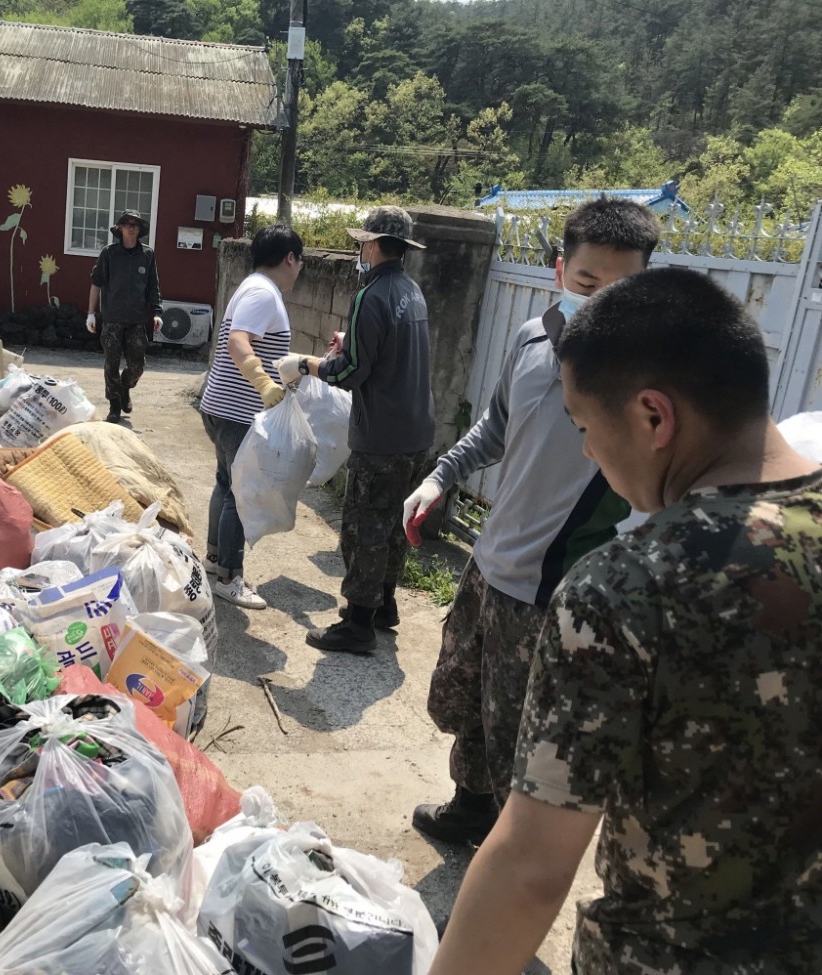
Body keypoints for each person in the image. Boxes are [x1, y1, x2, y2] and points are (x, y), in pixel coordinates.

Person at [430, 267, 822, 975]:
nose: (586, 450)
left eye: (585, 426)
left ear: (652, 417)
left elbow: (531, 865)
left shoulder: (629, 588)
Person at [402, 197, 662, 845]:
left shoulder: (646, 388)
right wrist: (440, 476)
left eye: (623, 292)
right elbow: (495, 426)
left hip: (548, 594)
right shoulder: (529, 338)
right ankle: (469, 804)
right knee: (465, 699)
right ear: (559, 273)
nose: (601, 305)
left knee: (525, 729)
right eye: (588, 285)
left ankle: (505, 850)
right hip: (487, 566)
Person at [277, 206, 434, 654]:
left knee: (363, 527)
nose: (360, 249)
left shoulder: (371, 294)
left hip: (381, 434)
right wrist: (355, 344)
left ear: (371, 244)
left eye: (363, 242)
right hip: (416, 430)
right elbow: (390, 351)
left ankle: (358, 624)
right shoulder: (411, 291)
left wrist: (306, 365)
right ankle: (384, 605)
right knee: (391, 526)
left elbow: (351, 374)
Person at [198, 224, 304, 610]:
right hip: (237, 412)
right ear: (290, 258)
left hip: (221, 406)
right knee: (241, 496)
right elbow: (238, 341)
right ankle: (229, 576)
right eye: (299, 262)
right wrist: (263, 383)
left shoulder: (252, 286)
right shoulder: (263, 293)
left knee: (226, 484)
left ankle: (214, 559)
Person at [87, 210, 163, 423]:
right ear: (119, 228)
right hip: (112, 319)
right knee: (110, 364)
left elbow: (153, 286)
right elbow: (96, 283)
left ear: (139, 229)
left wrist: (157, 313)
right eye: (127, 223)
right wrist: (91, 314)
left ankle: (125, 388)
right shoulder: (109, 253)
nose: (131, 227)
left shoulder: (147, 255)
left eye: (135, 224)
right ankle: (114, 406)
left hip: (137, 321)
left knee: (137, 366)